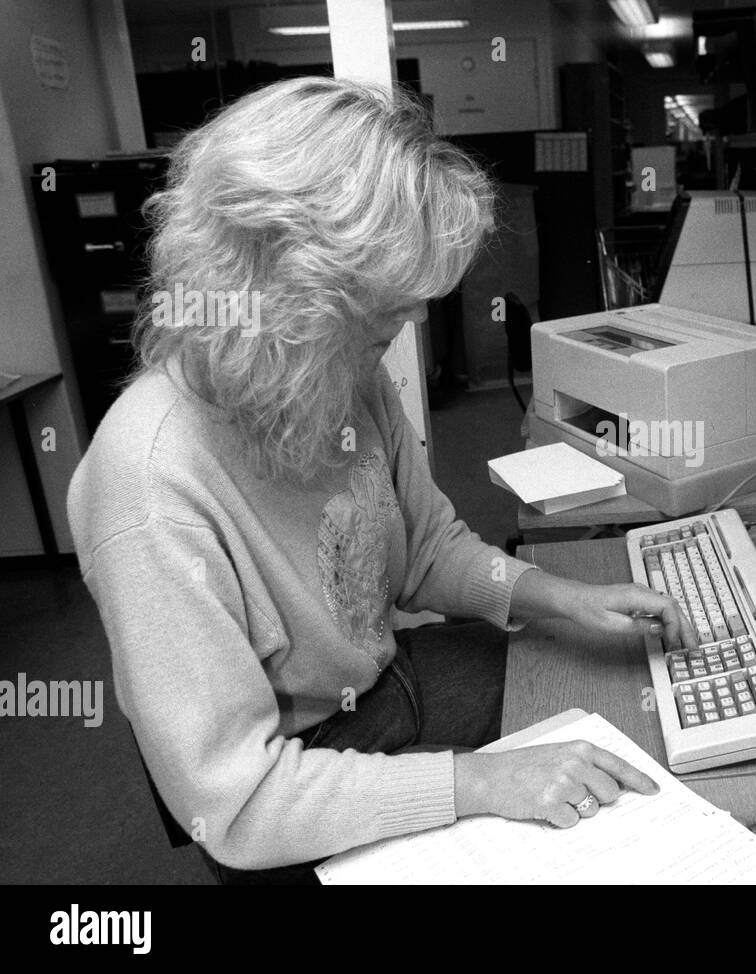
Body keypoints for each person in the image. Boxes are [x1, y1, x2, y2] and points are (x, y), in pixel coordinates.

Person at [66, 76, 695, 883]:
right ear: (272, 289)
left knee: (617, 701)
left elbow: (426, 550)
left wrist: (561, 599)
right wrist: (477, 783)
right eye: (384, 310)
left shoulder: (331, 370)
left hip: (386, 678)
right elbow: (241, 805)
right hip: (295, 777)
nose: (412, 327)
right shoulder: (149, 486)